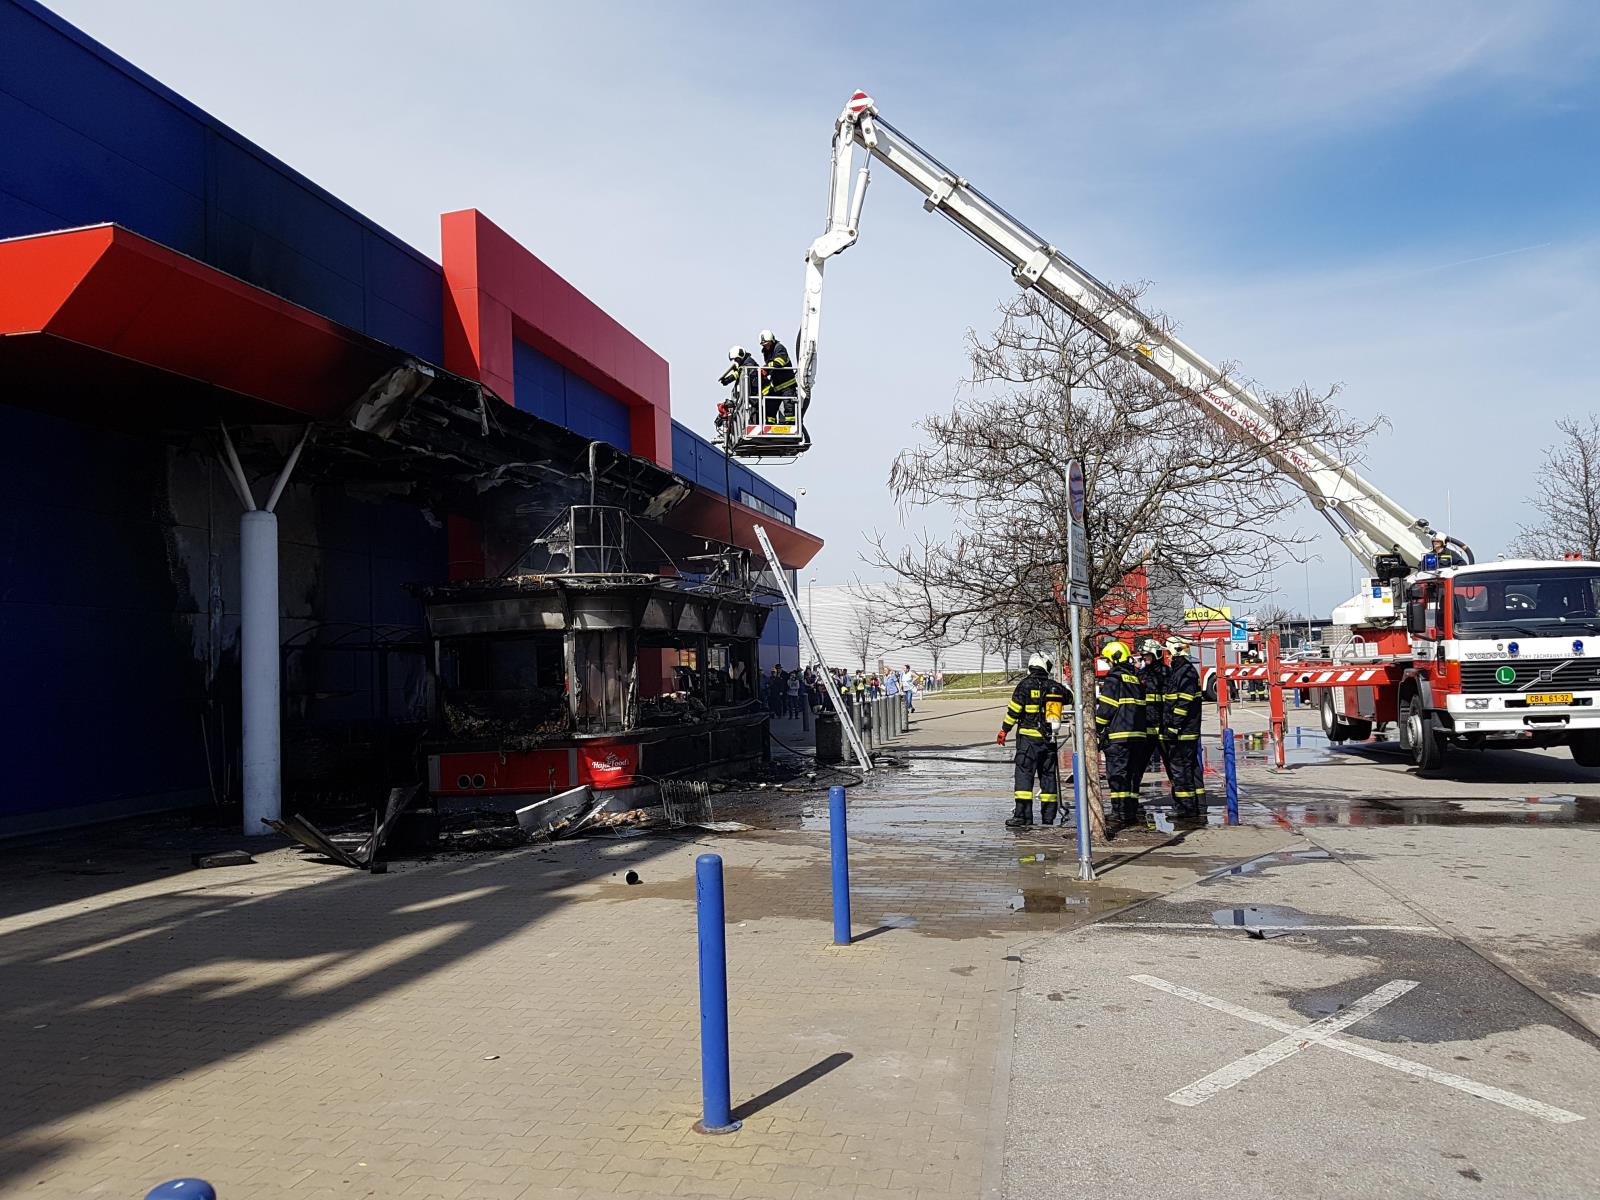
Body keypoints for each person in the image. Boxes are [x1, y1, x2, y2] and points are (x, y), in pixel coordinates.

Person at [996, 652, 1071, 828]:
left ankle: (1022, 817)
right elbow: (1071, 697)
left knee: (1024, 777)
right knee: (1048, 778)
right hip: (1049, 740)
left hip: (1028, 741)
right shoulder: (1054, 686)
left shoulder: (1024, 685)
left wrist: (1004, 730)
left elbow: (1014, 711)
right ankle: (1048, 818)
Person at [1094, 640, 1147, 825]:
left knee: (1117, 775)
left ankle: (1119, 812)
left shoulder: (1114, 679)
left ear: (1115, 658)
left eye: (1108, 660)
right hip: (1138, 736)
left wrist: (1097, 728)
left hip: (1119, 737)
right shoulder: (1136, 678)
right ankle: (1130, 811)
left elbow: (1107, 708)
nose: (1108, 664)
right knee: (1132, 775)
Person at [1161, 635, 1207, 820]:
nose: (1168, 656)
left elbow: (1183, 703)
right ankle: (1198, 805)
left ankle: (1186, 808)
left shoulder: (1185, 673)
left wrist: (1173, 726)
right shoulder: (1183, 670)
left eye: (1169, 652)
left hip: (1183, 732)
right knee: (1191, 767)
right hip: (1187, 730)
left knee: (1181, 770)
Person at [1128, 640, 1167, 795]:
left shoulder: (1167, 673)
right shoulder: (1141, 674)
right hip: (1146, 728)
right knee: (1137, 767)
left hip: (1164, 728)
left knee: (1173, 768)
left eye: (1147, 655)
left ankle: (1183, 804)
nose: (1145, 658)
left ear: (1156, 654)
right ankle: (1133, 801)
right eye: (1143, 655)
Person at [757, 330, 797, 427]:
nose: (766, 346)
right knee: (770, 405)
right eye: (764, 345)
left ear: (772, 341)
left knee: (789, 406)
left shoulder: (779, 348)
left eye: (767, 344)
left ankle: (790, 424)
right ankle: (770, 423)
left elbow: (779, 363)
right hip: (776, 385)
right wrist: (765, 372)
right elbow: (771, 366)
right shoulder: (766, 352)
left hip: (787, 384)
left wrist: (766, 368)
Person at [717, 345, 758, 436]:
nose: (736, 361)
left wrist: (729, 378)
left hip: (758, 391)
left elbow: (742, 373)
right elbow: (738, 374)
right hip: (754, 392)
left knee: (755, 410)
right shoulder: (744, 364)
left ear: (741, 355)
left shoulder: (749, 363)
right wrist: (727, 380)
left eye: (737, 359)